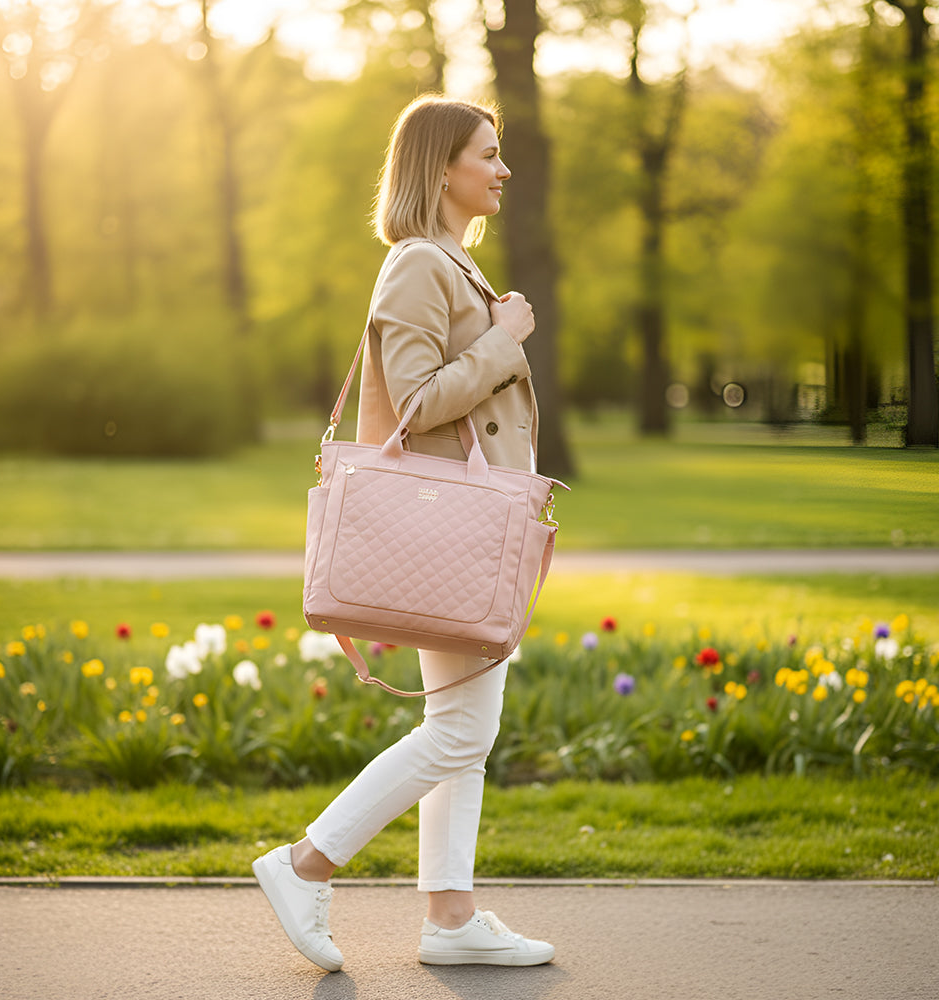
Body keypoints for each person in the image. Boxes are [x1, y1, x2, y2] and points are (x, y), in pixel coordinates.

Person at [252, 95, 553, 972]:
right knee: (462, 731)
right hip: (450, 530)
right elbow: (416, 403)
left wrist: (495, 331)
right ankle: (305, 861)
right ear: (440, 167)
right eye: (487, 154)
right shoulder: (419, 264)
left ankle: (451, 921)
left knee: (468, 727)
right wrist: (502, 341)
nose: (501, 170)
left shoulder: (453, 263)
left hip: (470, 532)